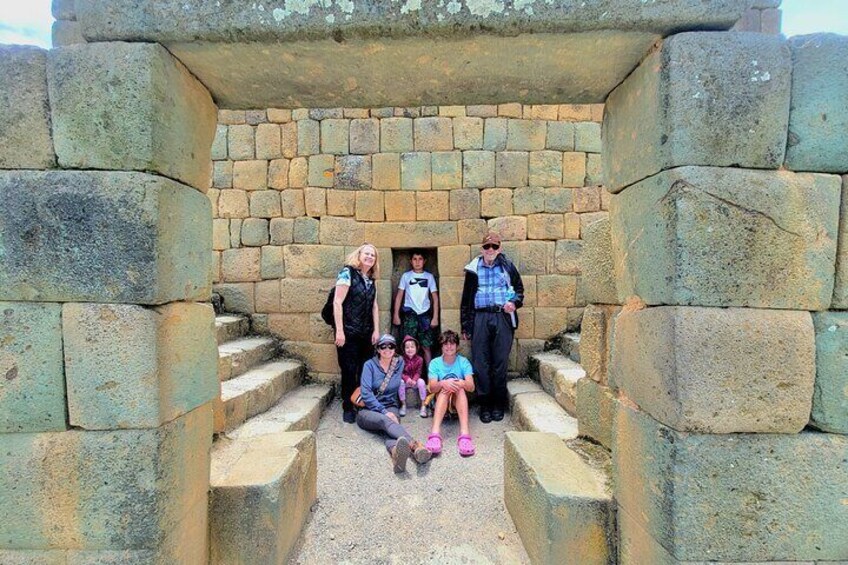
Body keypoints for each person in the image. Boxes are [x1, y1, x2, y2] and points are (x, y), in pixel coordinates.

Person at [460, 232, 524, 424]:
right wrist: (466, 325)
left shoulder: (507, 267)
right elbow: (466, 299)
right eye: (487, 247)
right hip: (480, 317)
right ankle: (485, 404)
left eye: (494, 247)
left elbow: (519, 290)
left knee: (500, 362)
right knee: (481, 362)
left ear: (499, 249)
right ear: (482, 249)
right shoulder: (474, 269)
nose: (490, 250)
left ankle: (498, 403)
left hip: (502, 317)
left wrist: (514, 302)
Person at [356, 334, 433, 473]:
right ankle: (416, 446)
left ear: (395, 348)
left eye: (391, 345)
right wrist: (384, 412)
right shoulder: (369, 365)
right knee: (387, 421)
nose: (387, 349)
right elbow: (366, 394)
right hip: (368, 410)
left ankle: (396, 454)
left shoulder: (399, 363)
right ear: (378, 349)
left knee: (389, 429)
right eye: (383, 346)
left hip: (391, 406)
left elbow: (412, 366)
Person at [334, 243, 381, 424]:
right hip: (349, 332)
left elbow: (374, 306)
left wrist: (376, 330)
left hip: (366, 333)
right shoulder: (347, 273)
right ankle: (348, 406)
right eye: (367, 254)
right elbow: (338, 302)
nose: (370, 257)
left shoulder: (371, 279)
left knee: (364, 370)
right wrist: (340, 330)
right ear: (359, 255)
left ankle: (360, 401)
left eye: (373, 255)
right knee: (348, 370)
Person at [424, 330, 476, 457]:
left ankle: (465, 434)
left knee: (460, 388)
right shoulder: (435, 363)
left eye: (452, 343)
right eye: (445, 344)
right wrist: (443, 383)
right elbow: (432, 387)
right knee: (444, 388)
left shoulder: (463, 362)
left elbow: (471, 387)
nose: (449, 347)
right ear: (441, 346)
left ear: (457, 346)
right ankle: (435, 434)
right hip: (440, 398)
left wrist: (460, 383)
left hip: (457, 400)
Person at [392, 250, 439, 369]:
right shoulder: (406, 276)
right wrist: (396, 315)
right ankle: (406, 376)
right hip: (410, 315)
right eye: (415, 259)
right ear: (410, 261)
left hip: (424, 315)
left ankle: (430, 377)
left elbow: (435, 298)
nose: (417, 262)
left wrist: (435, 317)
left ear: (425, 261)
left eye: (420, 259)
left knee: (426, 347)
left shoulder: (429, 277)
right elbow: (399, 296)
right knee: (408, 346)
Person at [398, 335, 428, 418]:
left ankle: (423, 405)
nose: (410, 349)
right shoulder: (401, 359)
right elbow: (400, 372)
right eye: (407, 347)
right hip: (406, 382)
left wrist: (414, 380)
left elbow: (418, 372)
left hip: (415, 381)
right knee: (400, 382)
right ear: (404, 349)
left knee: (421, 382)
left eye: (412, 347)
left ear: (416, 348)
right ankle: (403, 405)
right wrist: (406, 379)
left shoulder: (420, 359)